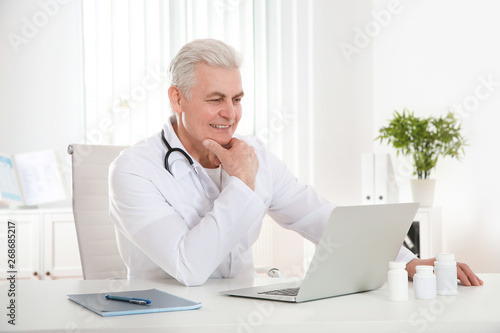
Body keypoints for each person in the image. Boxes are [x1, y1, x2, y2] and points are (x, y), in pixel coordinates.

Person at [109, 39, 483, 287]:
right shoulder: (134, 169)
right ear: (177, 98)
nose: (230, 113)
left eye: (238, 99)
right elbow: (189, 267)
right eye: (216, 99)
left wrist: (404, 262)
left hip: (239, 313)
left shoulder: (254, 153)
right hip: (167, 319)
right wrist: (241, 184)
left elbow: (319, 217)